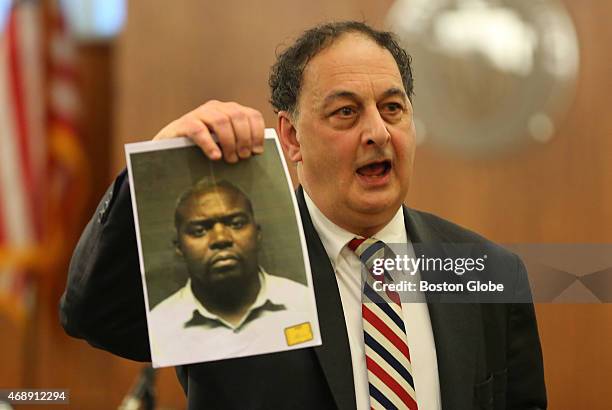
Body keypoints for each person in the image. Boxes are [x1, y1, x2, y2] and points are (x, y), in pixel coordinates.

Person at [60, 21, 546, 409]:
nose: (377, 131)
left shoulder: (486, 271)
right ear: (291, 138)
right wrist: (149, 176)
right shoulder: (229, 257)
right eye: (346, 113)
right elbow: (95, 316)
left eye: (393, 108)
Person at [147, 178, 314, 367]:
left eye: (236, 223)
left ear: (257, 233)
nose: (221, 238)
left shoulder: (304, 302)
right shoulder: (160, 324)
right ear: (179, 247)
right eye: (200, 230)